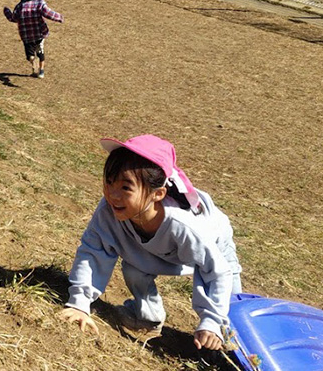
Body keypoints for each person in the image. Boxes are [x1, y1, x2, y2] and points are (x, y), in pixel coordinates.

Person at [59, 135, 242, 350]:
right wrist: (79, 304)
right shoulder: (110, 209)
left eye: (126, 188)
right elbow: (93, 250)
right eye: (109, 182)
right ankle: (147, 318)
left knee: (231, 313)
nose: (113, 195)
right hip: (156, 248)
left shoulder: (182, 225)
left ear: (158, 194)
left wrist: (212, 322)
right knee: (134, 266)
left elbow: (217, 270)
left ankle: (230, 349)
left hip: (214, 248)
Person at [3, 0, 62, 79]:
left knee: (30, 53)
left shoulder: (20, 6)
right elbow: (49, 13)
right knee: (41, 52)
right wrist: (59, 17)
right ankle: (41, 71)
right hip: (39, 33)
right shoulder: (40, 4)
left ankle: (31, 60)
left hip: (26, 35)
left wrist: (7, 11)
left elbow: (13, 18)